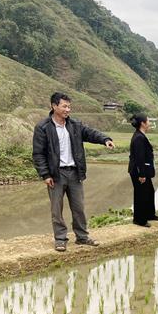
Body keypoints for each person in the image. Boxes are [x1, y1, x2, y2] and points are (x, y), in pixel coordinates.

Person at [32, 92, 115, 252]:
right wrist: (45, 174)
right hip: (56, 175)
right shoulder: (43, 127)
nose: (68, 109)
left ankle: (82, 237)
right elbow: (38, 154)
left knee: (79, 207)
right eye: (64, 106)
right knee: (57, 209)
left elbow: (91, 133)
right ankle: (60, 239)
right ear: (54, 106)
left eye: (69, 106)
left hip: (74, 173)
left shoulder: (75, 125)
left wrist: (105, 139)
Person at [128, 113, 158, 227]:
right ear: (143, 123)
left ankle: (149, 214)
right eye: (148, 121)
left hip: (143, 170)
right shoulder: (138, 138)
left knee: (149, 191)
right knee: (141, 194)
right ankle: (139, 219)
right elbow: (139, 158)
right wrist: (141, 174)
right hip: (138, 171)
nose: (149, 123)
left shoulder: (141, 135)